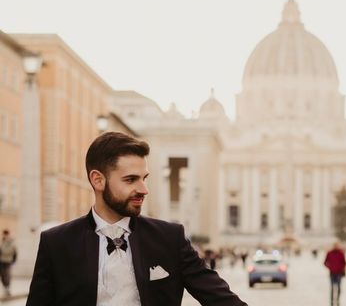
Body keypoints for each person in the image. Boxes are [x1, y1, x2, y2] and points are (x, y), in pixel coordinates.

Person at [26, 131, 247, 306]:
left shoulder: (170, 238)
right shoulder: (56, 243)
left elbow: (221, 299)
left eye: (144, 178)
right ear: (98, 180)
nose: (143, 189)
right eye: (131, 179)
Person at [0, 229, 17, 298]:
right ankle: (5, 287)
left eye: (5, 234)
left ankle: (7, 288)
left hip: (8, 261)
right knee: (2, 275)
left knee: (7, 275)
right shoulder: (2, 242)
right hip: (1, 261)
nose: (5, 235)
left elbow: (14, 252)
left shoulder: (11, 242)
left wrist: (13, 260)